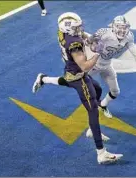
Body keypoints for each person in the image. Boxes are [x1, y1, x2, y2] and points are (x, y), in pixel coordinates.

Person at [32, 12, 123, 164]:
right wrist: (98, 53)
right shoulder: (73, 44)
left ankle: (43, 79)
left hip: (71, 70)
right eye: (76, 27)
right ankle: (101, 153)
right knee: (93, 109)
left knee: (98, 89)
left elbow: (80, 35)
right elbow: (85, 66)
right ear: (69, 28)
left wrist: (90, 38)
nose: (79, 29)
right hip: (79, 75)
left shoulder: (62, 32)